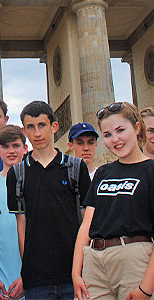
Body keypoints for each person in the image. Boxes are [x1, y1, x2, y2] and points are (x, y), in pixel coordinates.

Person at [6, 100, 91, 300]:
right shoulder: (17, 174)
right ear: (24, 130)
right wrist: (27, 270)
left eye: (42, 125)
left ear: (54, 126)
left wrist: (82, 267)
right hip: (37, 279)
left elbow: (86, 219)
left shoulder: (76, 168)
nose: (37, 133)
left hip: (74, 273)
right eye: (31, 127)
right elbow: (21, 224)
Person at [72, 102, 154, 300]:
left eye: (120, 130)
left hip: (134, 260)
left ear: (136, 127)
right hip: (94, 261)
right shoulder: (102, 172)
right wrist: (76, 272)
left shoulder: (151, 170)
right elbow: (87, 225)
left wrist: (146, 288)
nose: (115, 139)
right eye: (108, 135)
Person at [0, 125, 27, 300]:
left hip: (32, 282)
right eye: (5, 146)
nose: (11, 151)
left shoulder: (37, 184)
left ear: (25, 148)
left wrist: (28, 276)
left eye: (16, 145)